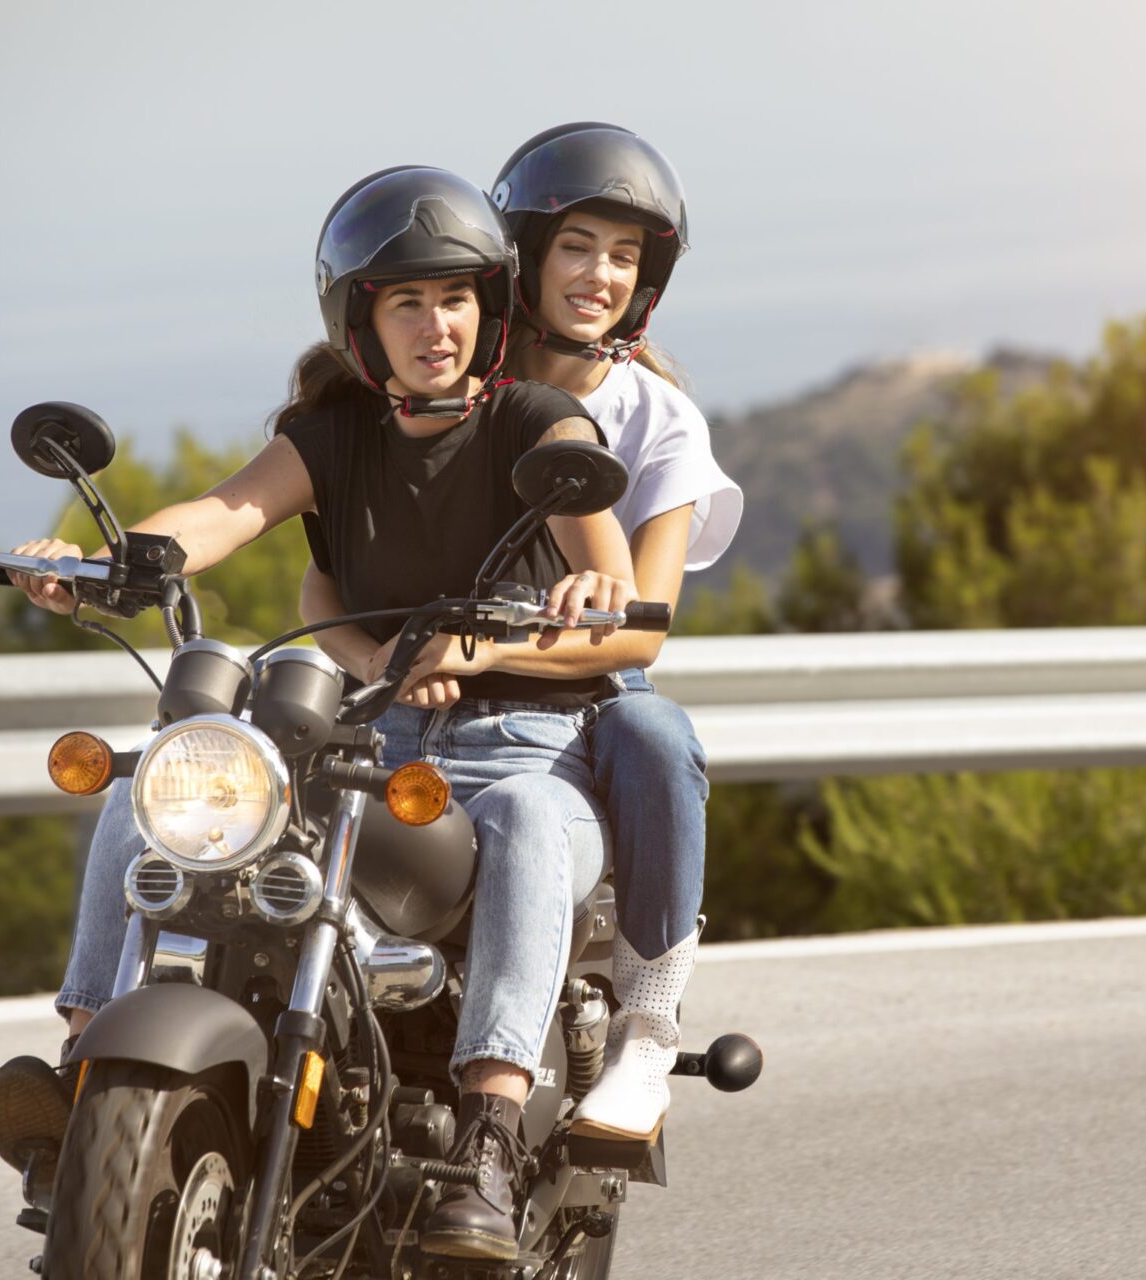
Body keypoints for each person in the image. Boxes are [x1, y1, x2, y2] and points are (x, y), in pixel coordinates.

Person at [0, 166, 641, 1260]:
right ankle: (82, 1065)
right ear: (362, 322)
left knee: (527, 816)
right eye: (405, 303)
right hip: (377, 746)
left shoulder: (537, 418)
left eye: (455, 299)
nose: (435, 326)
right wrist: (98, 560)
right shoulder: (332, 435)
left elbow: (614, 590)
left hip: (528, 753)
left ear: (489, 310)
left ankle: (483, 1127)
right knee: (174, 769)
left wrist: (525, 624)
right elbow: (222, 512)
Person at [300, 123, 739, 1144]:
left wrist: (493, 648)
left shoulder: (656, 419)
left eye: (625, 256)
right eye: (578, 245)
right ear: (523, 257)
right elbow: (339, 547)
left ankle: (644, 1025)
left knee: (653, 732)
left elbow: (645, 623)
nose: (598, 276)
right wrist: (373, 654)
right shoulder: (444, 371)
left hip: (566, 679)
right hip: (420, 677)